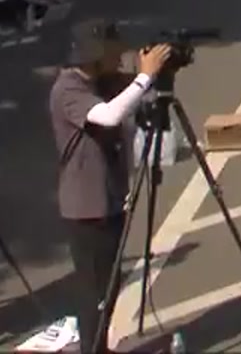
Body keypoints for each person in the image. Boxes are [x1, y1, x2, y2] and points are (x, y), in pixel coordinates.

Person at [51, 20, 173, 354]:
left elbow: (131, 93)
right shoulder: (68, 89)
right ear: (93, 56)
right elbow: (108, 116)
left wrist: (148, 72)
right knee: (95, 297)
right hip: (86, 209)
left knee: (108, 287)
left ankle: (100, 348)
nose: (119, 58)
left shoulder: (99, 80)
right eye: (113, 53)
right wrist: (145, 76)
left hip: (107, 199)